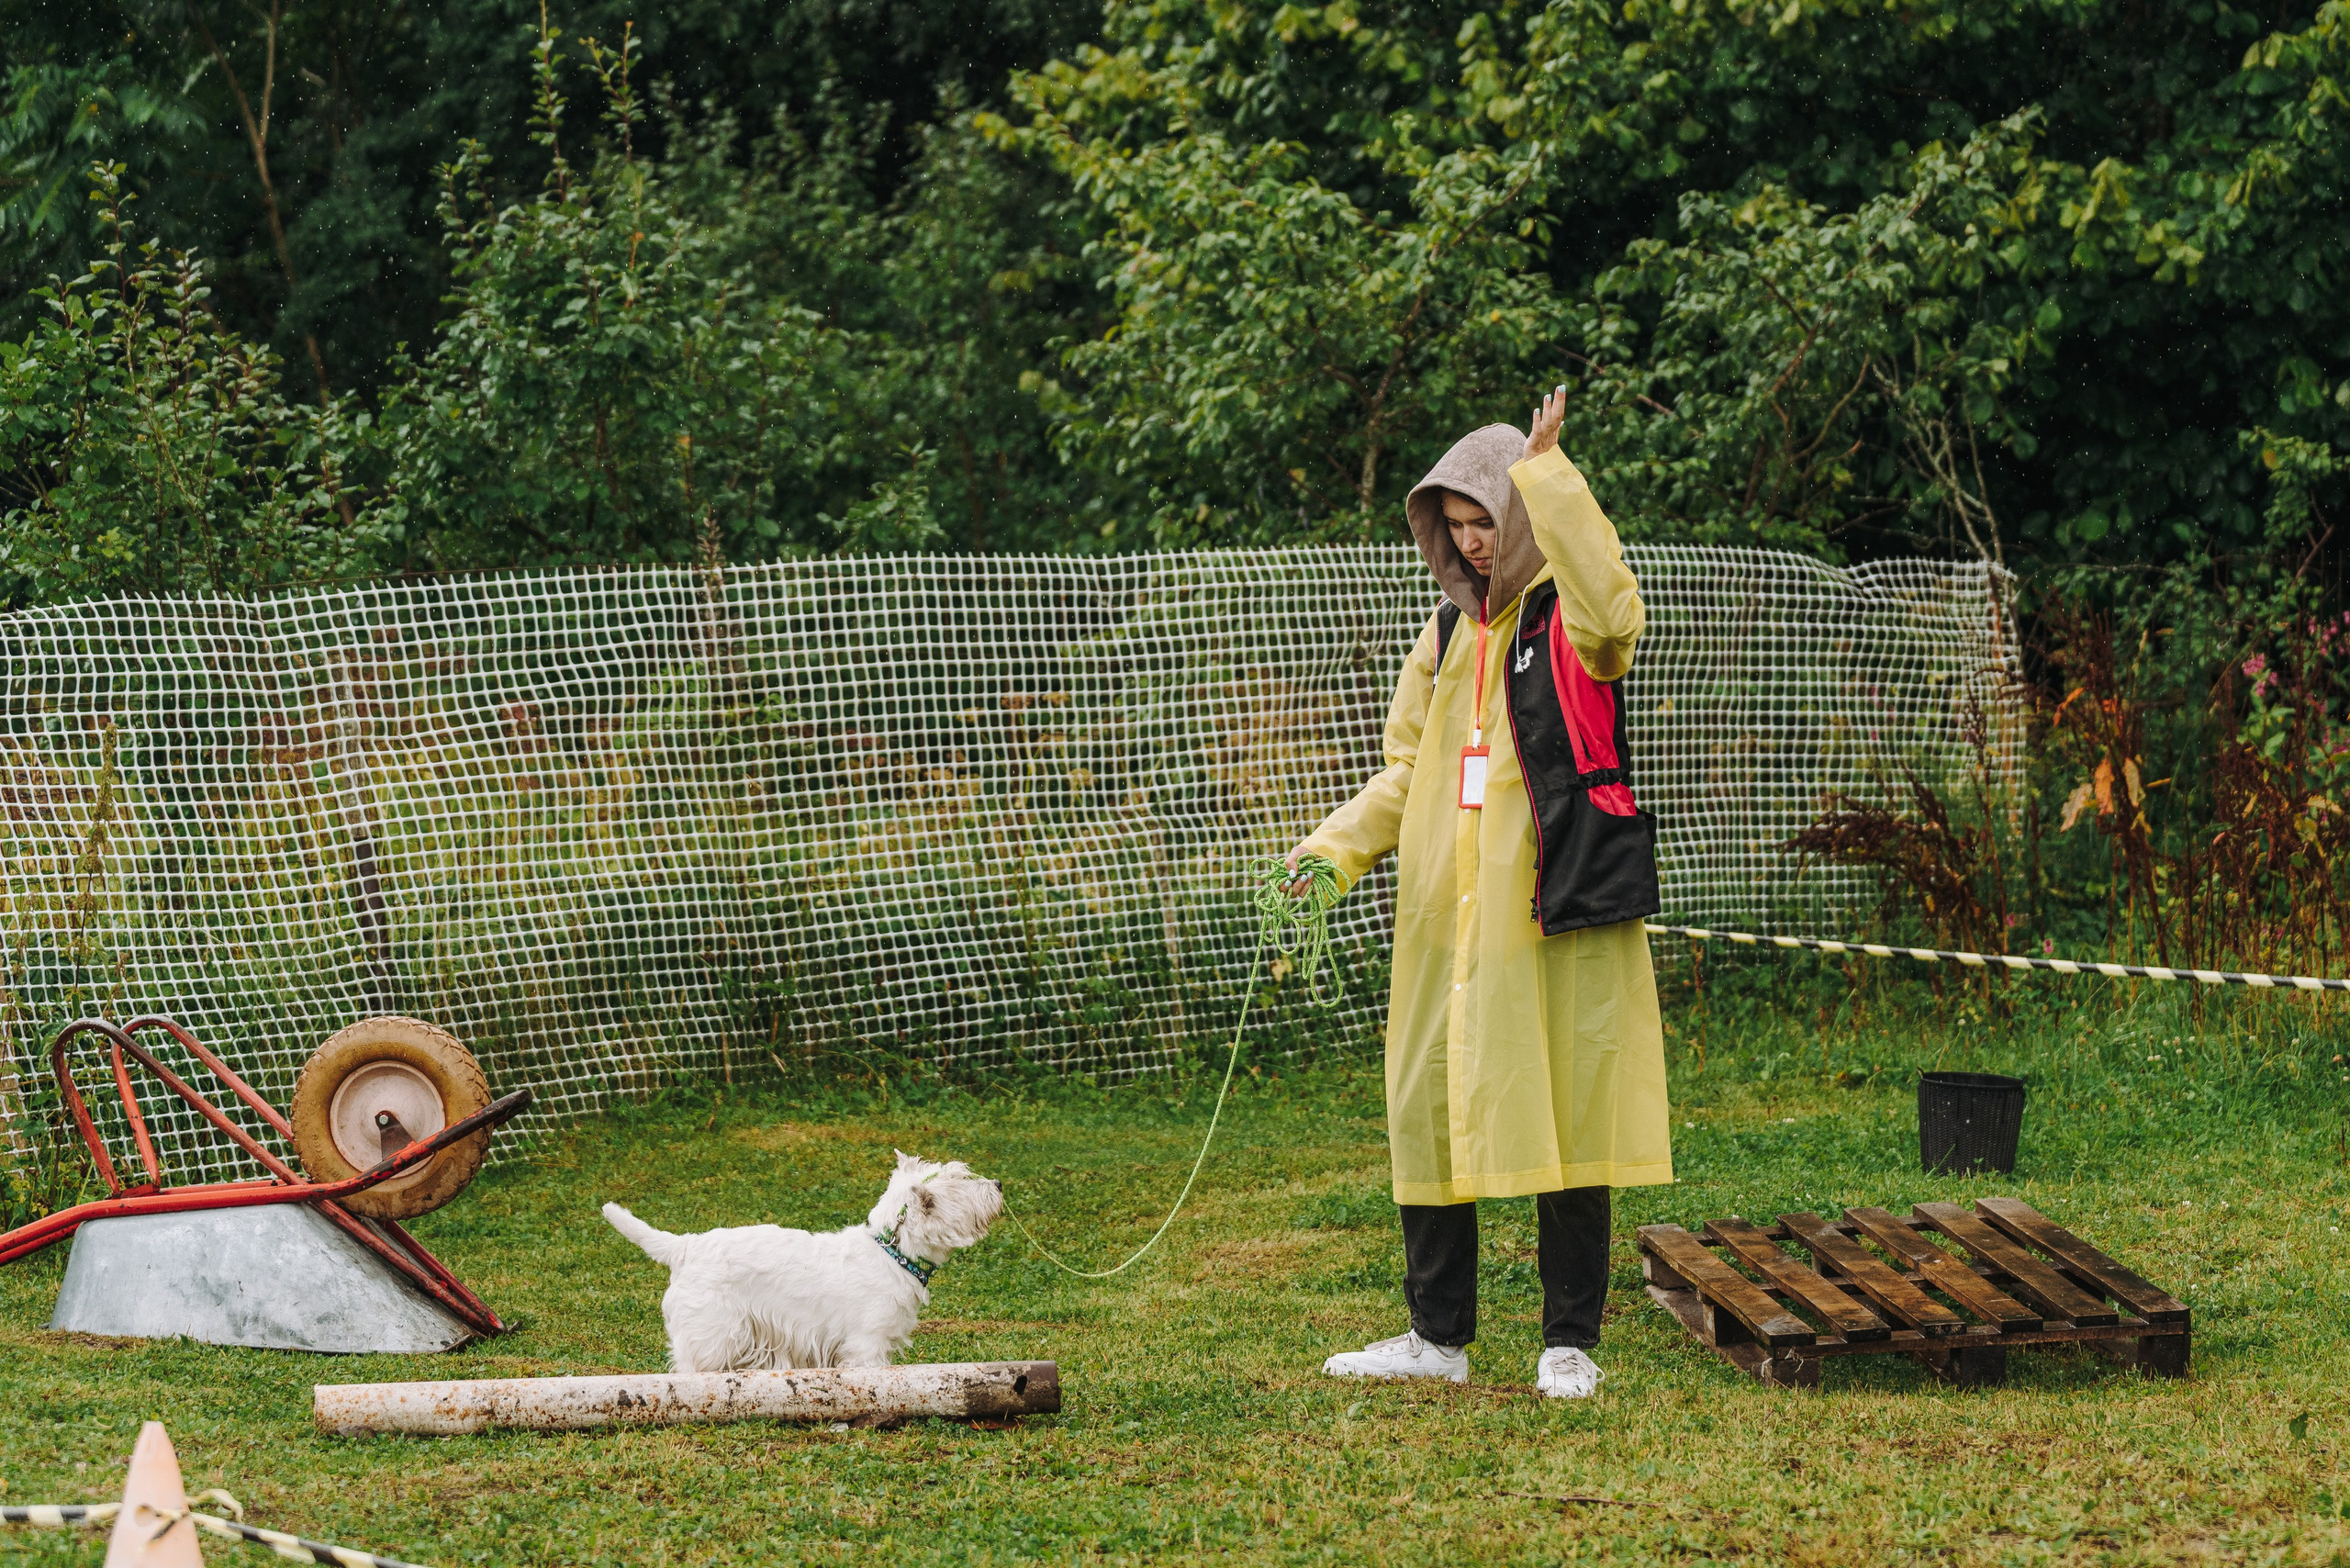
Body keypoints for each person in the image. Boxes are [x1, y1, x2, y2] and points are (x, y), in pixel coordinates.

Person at [1288, 386, 1672, 1399]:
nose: (1472, 546)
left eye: (1487, 523)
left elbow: (1616, 610)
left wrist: (1548, 474)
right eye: (1455, 527)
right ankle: (1436, 1338)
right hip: (1442, 923)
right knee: (1430, 1113)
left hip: (1549, 912)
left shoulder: (1572, 622)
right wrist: (1331, 852)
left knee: (1562, 1110)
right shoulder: (1447, 631)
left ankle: (1568, 1343)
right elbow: (1406, 768)